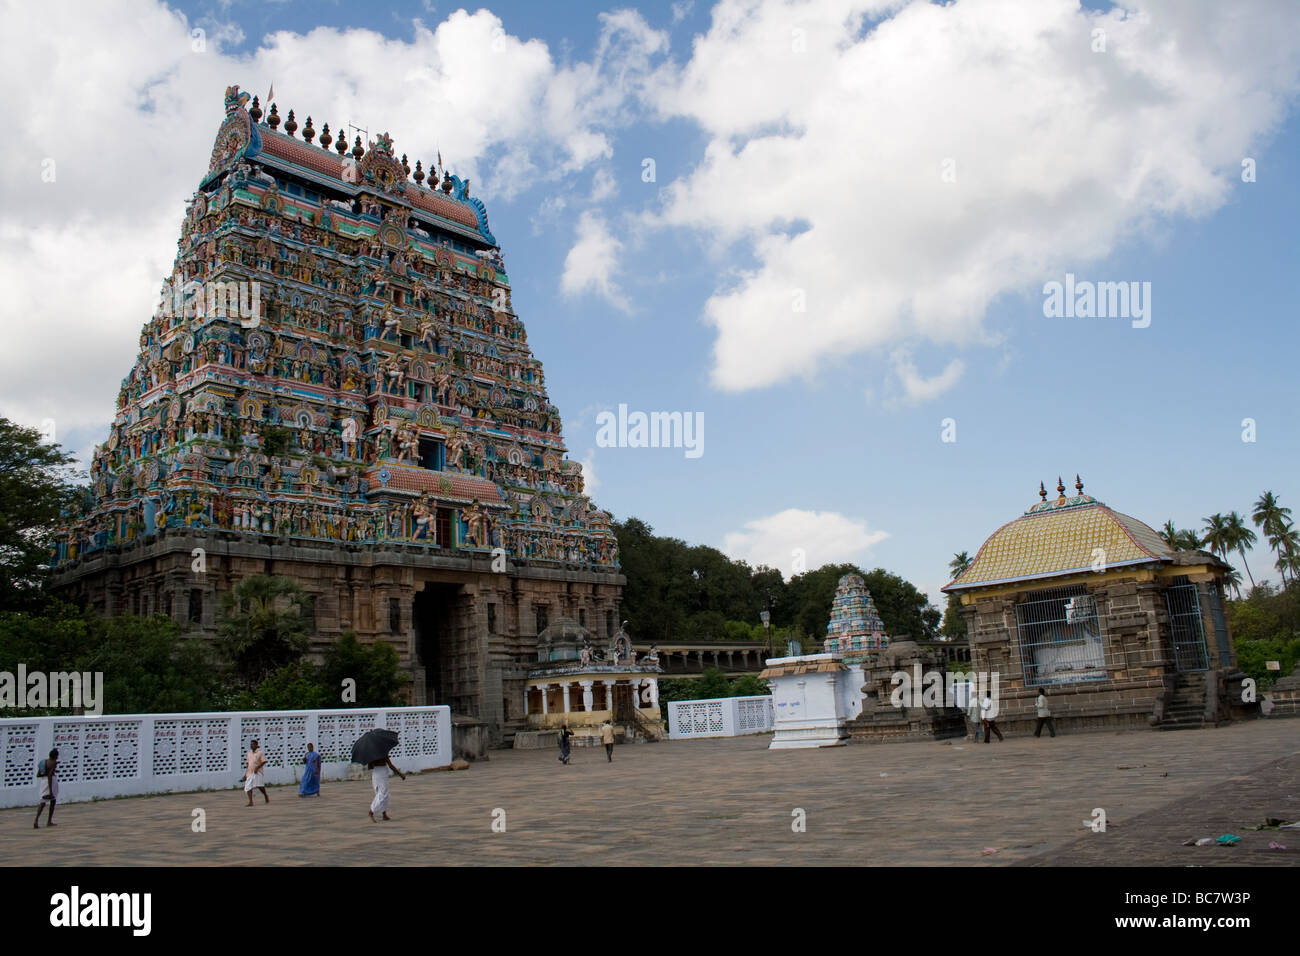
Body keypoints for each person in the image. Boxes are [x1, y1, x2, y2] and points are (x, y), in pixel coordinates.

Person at [368, 755, 406, 822]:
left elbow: (370, 767)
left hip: (376, 773)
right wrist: (400, 774)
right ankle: (371, 811)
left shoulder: (372, 754)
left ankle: (384, 814)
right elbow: (391, 765)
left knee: (382, 794)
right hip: (381, 773)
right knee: (383, 794)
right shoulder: (383, 753)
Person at [34, 748, 59, 829]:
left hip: (43, 782)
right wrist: (50, 791)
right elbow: (50, 776)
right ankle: (49, 821)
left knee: (42, 802)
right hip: (50, 782)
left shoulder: (43, 762)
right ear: (56, 756)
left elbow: (38, 775)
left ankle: (36, 820)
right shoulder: (54, 762)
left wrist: (46, 773)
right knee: (53, 800)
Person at [244, 739, 269, 805]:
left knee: (259, 786)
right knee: (248, 786)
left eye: (253, 744)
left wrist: (257, 767)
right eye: (251, 744)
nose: (251, 746)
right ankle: (250, 801)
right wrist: (245, 774)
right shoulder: (249, 753)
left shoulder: (260, 753)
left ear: (256, 745)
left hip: (258, 772)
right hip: (250, 772)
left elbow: (264, 761)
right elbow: (248, 764)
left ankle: (265, 795)